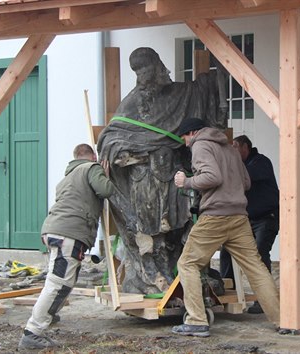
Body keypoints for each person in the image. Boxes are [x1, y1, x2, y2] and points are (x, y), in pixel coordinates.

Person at [97, 47, 227, 294]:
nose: (145, 76)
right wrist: (124, 153)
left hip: (175, 175)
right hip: (145, 178)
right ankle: (153, 275)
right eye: (139, 72)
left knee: (180, 226)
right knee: (152, 229)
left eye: (148, 69)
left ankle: (185, 271)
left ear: (158, 67)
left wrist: (212, 78)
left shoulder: (181, 93)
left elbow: (200, 91)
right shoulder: (132, 103)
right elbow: (110, 138)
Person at [172, 118, 284, 337]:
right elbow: (246, 183)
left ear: (193, 132)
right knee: (256, 268)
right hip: (239, 216)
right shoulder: (230, 148)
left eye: (184, 137)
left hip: (215, 215)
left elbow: (212, 177)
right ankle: (282, 319)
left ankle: (196, 321)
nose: (185, 142)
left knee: (187, 263)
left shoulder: (201, 145)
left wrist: (186, 182)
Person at [18, 144, 115, 350]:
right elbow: (105, 189)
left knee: (64, 282)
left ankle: (45, 319)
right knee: (57, 283)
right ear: (93, 156)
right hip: (69, 234)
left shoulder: (67, 178)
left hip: (54, 231)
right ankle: (33, 332)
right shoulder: (91, 168)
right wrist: (104, 174)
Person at [219, 134, 279, 314]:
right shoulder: (241, 166)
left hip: (266, 218)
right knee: (227, 251)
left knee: (260, 253)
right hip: (246, 219)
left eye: (235, 146)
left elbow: (245, 178)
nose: (233, 150)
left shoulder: (260, 162)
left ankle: (264, 300)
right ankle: (227, 293)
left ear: (245, 147)